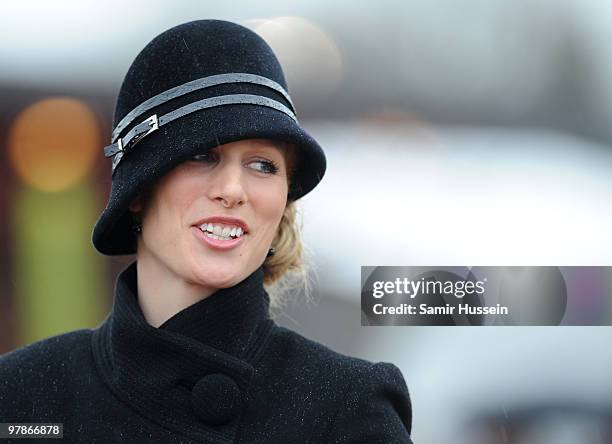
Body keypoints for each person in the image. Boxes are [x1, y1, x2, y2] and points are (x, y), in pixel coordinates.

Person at [0, 19, 413, 443]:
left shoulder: (347, 406)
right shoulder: (21, 395)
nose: (233, 190)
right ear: (138, 189)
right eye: (201, 155)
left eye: (262, 165)